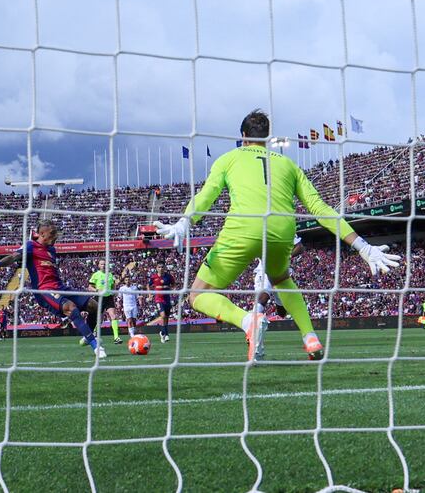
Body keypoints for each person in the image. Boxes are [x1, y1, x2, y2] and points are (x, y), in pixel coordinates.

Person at [155, 109, 401, 361]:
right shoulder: (288, 164)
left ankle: (248, 320)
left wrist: (185, 221)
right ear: (268, 137)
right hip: (282, 232)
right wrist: (361, 245)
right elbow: (319, 209)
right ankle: (310, 338)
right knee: (281, 278)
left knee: (197, 295)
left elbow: (207, 195)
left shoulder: (229, 159)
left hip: (244, 229)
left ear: (242, 136)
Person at [0, 220, 107, 358]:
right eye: (52, 234)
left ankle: (87, 336)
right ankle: (95, 346)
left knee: (95, 306)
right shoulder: (30, 246)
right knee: (70, 308)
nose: (56, 236)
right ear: (42, 234)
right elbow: (14, 257)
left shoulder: (51, 250)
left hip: (60, 286)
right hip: (44, 290)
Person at [252, 236, 303, 319]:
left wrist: (287, 257)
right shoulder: (261, 229)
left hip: (281, 271)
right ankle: (253, 323)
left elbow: (299, 247)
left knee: (281, 308)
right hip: (264, 269)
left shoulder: (285, 228)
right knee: (263, 297)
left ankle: (279, 321)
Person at [88, 259, 122, 345]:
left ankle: (116, 337)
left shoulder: (110, 275)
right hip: (99, 298)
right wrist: (96, 290)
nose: (103, 265)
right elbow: (90, 287)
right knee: (99, 318)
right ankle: (95, 332)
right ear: (99, 266)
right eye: (102, 264)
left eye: (105, 264)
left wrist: (114, 293)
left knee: (113, 316)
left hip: (109, 297)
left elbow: (113, 286)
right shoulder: (95, 275)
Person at [149, 264, 175, 343]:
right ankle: (167, 335)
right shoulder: (153, 277)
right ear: (156, 268)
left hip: (167, 299)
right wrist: (150, 294)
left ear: (165, 268)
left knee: (166, 318)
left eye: (162, 267)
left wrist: (173, 290)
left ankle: (162, 333)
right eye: (159, 267)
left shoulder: (169, 276)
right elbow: (149, 285)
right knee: (163, 316)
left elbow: (173, 284)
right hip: (159, 299)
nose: (161, 268)